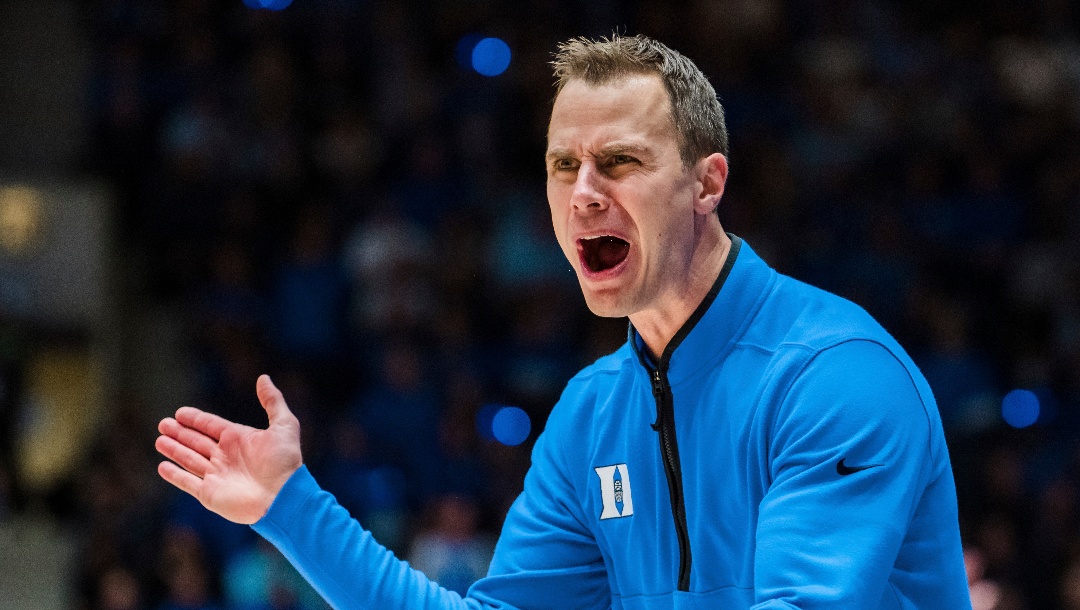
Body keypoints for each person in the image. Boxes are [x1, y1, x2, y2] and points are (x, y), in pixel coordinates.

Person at [156, 34, 972, 609]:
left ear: (707, 182)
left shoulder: (836, 376)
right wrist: (290, 508)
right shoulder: (589, 415)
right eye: (561, 166)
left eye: (619, 161)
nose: (583, 192)